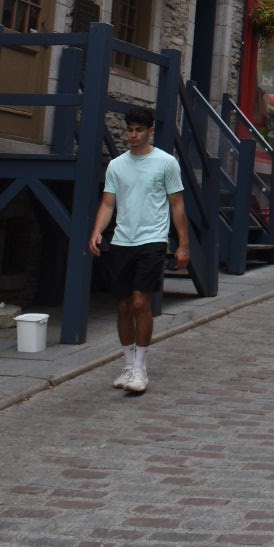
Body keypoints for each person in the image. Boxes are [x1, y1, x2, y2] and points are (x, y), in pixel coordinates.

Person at [88, 105, 190, 395]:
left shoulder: (166, 163)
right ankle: (128, 364)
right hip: (122, 241)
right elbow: (108, 203)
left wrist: (183, 244)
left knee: (140, 302)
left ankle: (141, 368)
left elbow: (177, 204)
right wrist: (97, 231)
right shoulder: (116, 165)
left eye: (139, 130)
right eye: (130, 130)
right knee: (122, 305)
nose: (133, 135)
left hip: (153, 240)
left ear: (150, 132)